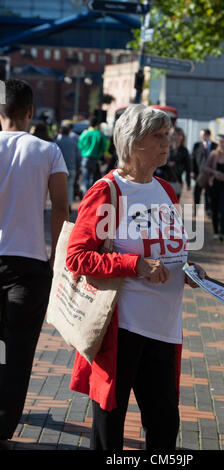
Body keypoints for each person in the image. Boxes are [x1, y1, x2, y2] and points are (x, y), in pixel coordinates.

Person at [65, 104, 206, 451]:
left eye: (167, 135)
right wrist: (134, 264)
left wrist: (188, 270)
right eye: (157, 136)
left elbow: (171, 250)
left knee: (164, 424)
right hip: (122, 327)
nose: (167, 142)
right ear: (132, 142)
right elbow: (76, 258)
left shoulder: (166, 190)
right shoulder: (108, 191)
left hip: (165, 326)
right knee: (110, 425)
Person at [0, 79, 69, 449]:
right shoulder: (48, 151)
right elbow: (60, 207)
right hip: (29, 264)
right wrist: (58, 258)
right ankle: (4, 425)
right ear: (30, 112)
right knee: (19, 349)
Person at [156, 127, 191, 201]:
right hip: (164, 179)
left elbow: (188, 168)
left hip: (177, 180)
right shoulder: (166, 148)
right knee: (163, 201)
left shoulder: (184, 151)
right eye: (173, 134)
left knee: (174, 203)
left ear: (182, 137)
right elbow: (158, 163)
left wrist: (188, 183)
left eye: (178, 135)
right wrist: (167, 164)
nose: (175, 137)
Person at [78, 116, 108, 195]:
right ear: (97, 124)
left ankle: (85, 197)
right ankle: (92, 196)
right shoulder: (100, 134)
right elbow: (104, 146)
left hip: (85, 158)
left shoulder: (85, 133)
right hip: (95, 159)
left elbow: (80, 144)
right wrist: (101, 153)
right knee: (93, 179)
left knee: (85, 180)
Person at [191, 128, 217, 216]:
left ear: (208, 136)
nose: (202, 137)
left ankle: (208, 210)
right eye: (201, 136)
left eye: (203, 136)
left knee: (209, 193)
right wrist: (192, 171)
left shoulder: (215, 146)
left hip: (210, 174)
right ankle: (196, 209)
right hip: (200, 173)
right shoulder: (197, 145)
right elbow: (193, 159)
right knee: (197, 192)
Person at [56, 125, 81, 212]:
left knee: (59, 188)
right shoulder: (73, 142)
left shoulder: (58, 142)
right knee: (70, 187)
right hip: (72, 167)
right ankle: (69, 204)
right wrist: (78, 166)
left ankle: (60, 205)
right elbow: (78, 155)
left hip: (59, 168)